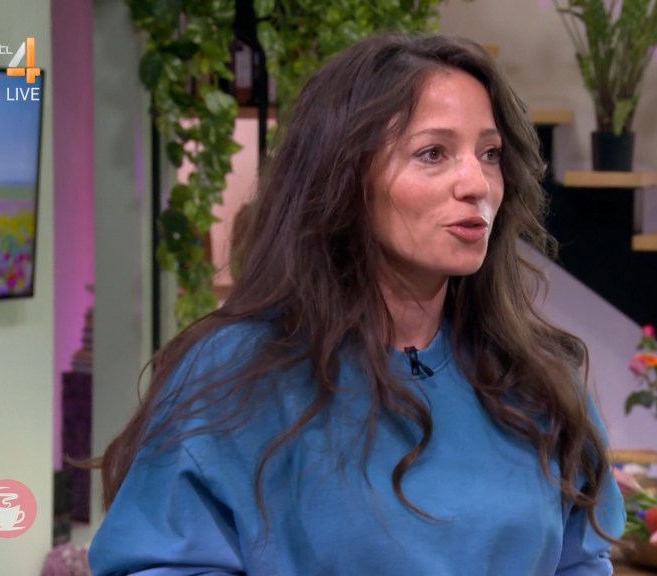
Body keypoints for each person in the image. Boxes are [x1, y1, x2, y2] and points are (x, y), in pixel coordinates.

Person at [88, 32, 625, 575]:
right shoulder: (235, 373)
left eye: (490, 154)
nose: (476, 184)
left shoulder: (539, 380)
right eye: (433, 153)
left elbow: (581, 561)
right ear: (344, 177)